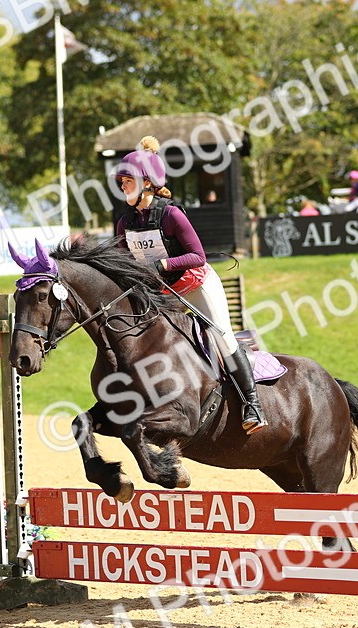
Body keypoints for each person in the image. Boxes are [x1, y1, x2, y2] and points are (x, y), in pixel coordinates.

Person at [112, 135, 266, 433]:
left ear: (147, 182)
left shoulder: (171, 214)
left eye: (127, 179)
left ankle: (253, 405)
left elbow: (197, 255)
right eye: (120, 180)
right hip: (163, 293)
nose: (122, 185)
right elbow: (122, 264)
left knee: (223, 337)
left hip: (196, 285)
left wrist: (163, 264)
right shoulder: (125, 222)